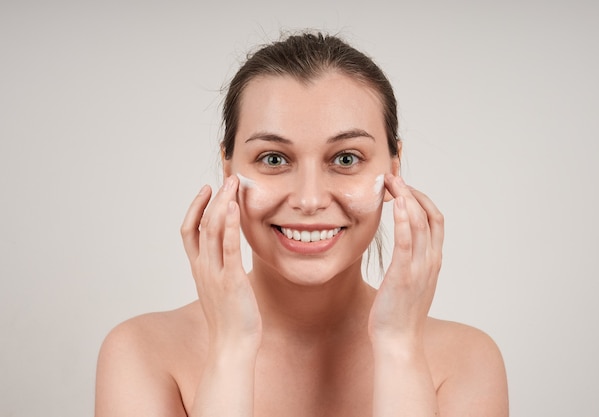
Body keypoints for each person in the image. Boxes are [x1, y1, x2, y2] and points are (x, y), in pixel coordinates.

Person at [95, 31, 508, 417]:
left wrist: (399, 349)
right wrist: (231, 350)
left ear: (394, 169)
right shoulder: (143, 353)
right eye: (274, 159)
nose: (309, 200)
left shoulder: (466, 361)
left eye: (346, 159)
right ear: (228, 170)